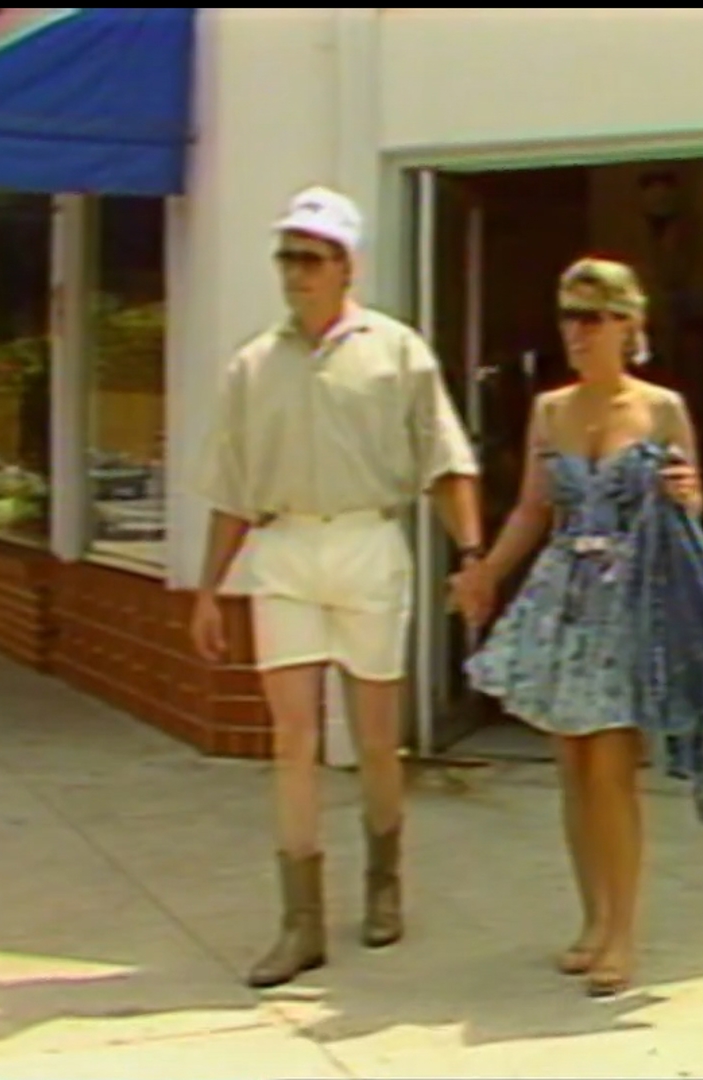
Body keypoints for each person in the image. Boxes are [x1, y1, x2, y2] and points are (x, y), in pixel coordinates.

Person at [189, 186, 485, 990]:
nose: (294, 272)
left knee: (374, 737)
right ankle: (300, 923)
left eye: (310, 257)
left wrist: (473, 555)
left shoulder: (397, 351)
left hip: (366, 542)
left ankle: (384, 884)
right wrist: (210, 589)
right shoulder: (253, 364)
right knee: (293, 740)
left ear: (345, 264)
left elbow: (444, 459)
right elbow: (231, 486)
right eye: (286, 255)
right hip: (284, 548)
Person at [449, 257, 703, 998]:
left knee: (613, 770)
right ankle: (592, 921)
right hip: (568, 594)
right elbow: (532, 507)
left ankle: (624, 933)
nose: (576, 332)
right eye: (567, 316)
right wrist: (486, 571)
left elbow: (694, 501)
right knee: (573, 767)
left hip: (634, 595)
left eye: (592, 317)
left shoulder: (661, 408)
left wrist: (688, 494)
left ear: (628, 323)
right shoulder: (550, 411)